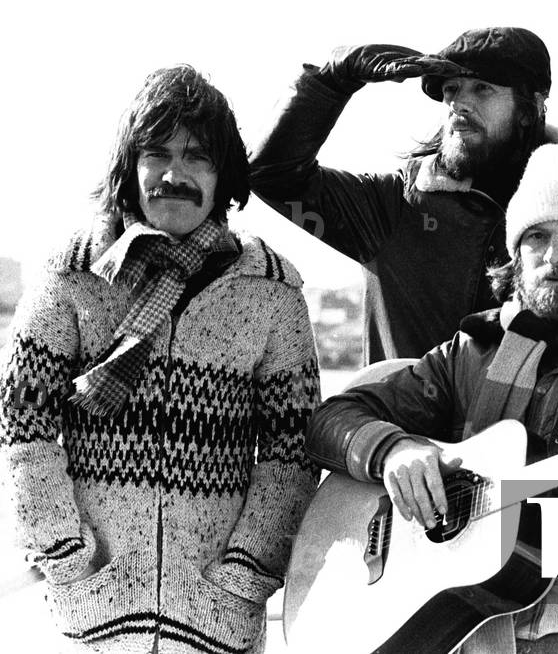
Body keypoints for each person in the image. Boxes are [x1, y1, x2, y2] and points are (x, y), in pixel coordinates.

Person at [305, 143, 558, 652]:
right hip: (460, 624)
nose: (553, 254)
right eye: (536, 236)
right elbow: (331, 420)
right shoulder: (473, 353)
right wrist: (393, 451)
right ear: (515, 255)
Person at [0, 65, 321, 653]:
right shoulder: (72, 277)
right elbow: (23, 427)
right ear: (130, 167)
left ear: (224, 175)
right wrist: (66, 556)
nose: (176, 174)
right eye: (157, 153)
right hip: (93, 615)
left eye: (198, 157)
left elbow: (292, 451)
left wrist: (244, 577)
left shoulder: (271, 292)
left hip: (218, 621)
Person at [250, 27, 558, 364]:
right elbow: (271, 175)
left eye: (482, 89)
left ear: (529, 108)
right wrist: (331, 80)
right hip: (394, 417)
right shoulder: (394, 207)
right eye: (451, 89)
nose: (459, 103)